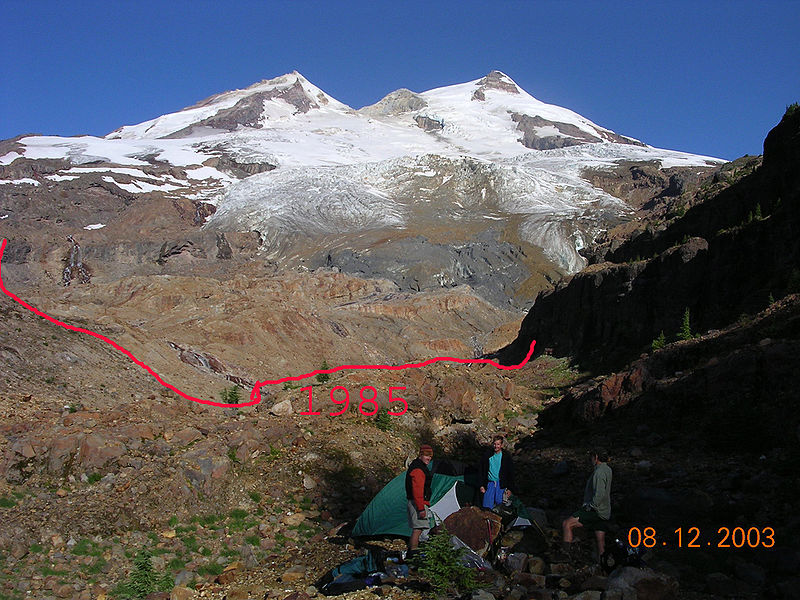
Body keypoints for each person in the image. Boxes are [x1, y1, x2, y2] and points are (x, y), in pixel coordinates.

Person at [561, 448, 613, 559]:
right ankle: (602, 565)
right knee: (600, 540)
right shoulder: (607, 469)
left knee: (567, 524)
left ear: (596, 457)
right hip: (605, 511)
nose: (591, 459)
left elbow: (599, 494)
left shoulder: (599, 472)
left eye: (592, 457)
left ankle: (566, 556)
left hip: (595, 510)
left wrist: (590, 507)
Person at [405, 444, 434, 551]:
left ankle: (411, 553)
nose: (429, 458)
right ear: (421, 455)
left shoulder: (417, 466)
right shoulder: (418, 470)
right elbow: (418, 490)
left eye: (430, 456)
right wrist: (421, 508)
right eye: (427, 456)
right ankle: (413, 553)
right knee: (417, 529)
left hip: (416, 502)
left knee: (419, 528)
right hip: (417, 503)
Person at [478, 435, 515, 509]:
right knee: (487, 507)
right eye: (494, 444)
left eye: (498, 444)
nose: (496, 446)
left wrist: (510, 488)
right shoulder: (487, 455)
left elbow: (511, 473)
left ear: (501, 445)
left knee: (500, 505)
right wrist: (481, 485)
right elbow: (481, 471)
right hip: (489, 483)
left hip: (501, 484)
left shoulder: (506, 456)